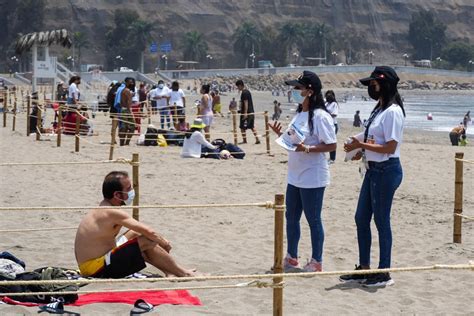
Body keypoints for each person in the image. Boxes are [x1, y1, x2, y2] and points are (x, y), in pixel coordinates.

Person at [341, 66, 405, 287]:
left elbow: (390, 146)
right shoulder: (379, 108)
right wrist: (358, 149)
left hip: (386, 170)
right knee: (361, 218)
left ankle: (384, 271)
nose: (370, 88)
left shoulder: (393, 111)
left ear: (384, 84)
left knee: (381, 220)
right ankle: (364, 267)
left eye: (373, 84)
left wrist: (362, 145)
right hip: (372, 169)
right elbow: (373, 138)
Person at [268, 71, 337, 272]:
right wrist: (280, 134)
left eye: (298, 88)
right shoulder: (299, 114)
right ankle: (292, 257)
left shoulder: (321, 116)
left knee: (313, 219)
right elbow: (294, 140)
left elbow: (331, 145)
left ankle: (317, 261)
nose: (295, 91)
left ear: (310, 91)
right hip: (294, 174)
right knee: (291, 217)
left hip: (313, 176)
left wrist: (308, 149)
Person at [75, 171, 199, 278]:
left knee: (135, 234)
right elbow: (150, 232)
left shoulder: (104, 207)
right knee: (147, 240)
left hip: (97, 261)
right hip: (93, 269)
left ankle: (170, 271)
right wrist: (163, 242)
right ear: (117, 195)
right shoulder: (111, 212)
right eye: (128, 189)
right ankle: (183, 273)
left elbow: (139, 230)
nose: (132, 192)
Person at [236, 79, 260, 144]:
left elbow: (246, 102)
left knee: (242, 127)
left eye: (238, 87)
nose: (237, 88)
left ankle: (244, 140)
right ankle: (257, 139)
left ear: (240, 85)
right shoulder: (247, 91)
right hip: (251, 111)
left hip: (246, 112)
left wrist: (245, 113)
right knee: (252, 126)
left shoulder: (244, 92)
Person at [115, 77, 136, 146]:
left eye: (132, 82)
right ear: (126, 83)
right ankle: (125, 142)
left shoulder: (122, 90)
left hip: (122, 109)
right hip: (126, 110)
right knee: (130, 127)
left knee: (124, 127)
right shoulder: (127, 91)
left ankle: (123, 142)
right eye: (130, 82)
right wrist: (131, 113)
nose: (132, 83)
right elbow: (128, 103)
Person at [325, 90, 339, 163]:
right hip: (326, 124)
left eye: (330, 94)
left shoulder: (334, 104)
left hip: (333, 124)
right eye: (327, 94)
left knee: (331, 141)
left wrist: (326, 115)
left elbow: (334, 114)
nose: (328, 96)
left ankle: (332, 158)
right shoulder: (326, 103)